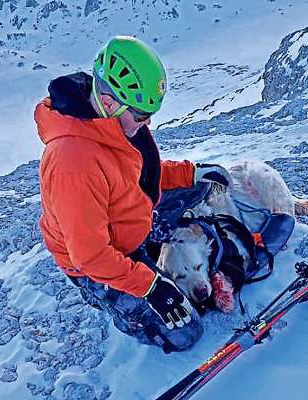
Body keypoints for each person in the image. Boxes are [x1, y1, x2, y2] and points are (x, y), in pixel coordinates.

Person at [35, 36, 232, 353]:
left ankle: (150, 237)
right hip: (102, 263)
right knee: (186, 333)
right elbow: (90, 256)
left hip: (126, 218)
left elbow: (136, 174)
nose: (148, 122)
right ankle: (113, 297)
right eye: (142, 115)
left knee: (202, 184)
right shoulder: (73, 162)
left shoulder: (113, 122)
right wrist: (152, 286)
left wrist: (191, 173)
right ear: (110, 103)